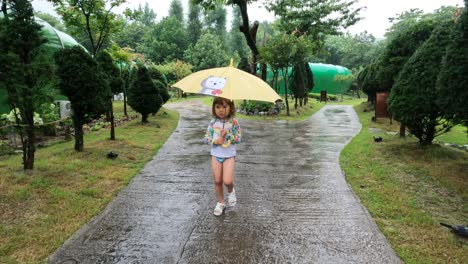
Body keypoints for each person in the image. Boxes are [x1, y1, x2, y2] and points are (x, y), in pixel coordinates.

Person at [204, 97, 242, 216]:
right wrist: (216, 141)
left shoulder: (233, 122)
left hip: (229, 155)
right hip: (216, 154)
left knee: (227, 180)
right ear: (214, 108)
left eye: (225, 107)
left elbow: (238, 138)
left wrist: (228, 136)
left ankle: (231, 191)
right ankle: (220, 203)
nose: (221, 110)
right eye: (218, 107)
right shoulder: (213, 122)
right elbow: (206, 139)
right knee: (217, 180)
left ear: (231, 107)